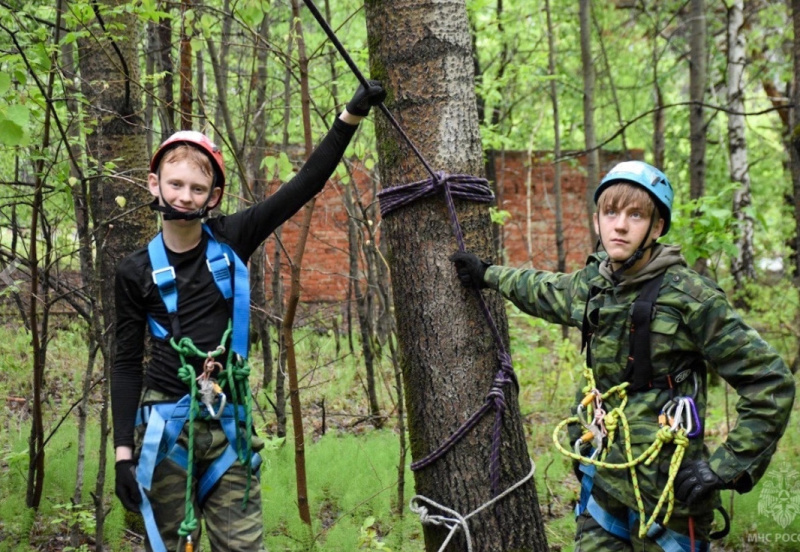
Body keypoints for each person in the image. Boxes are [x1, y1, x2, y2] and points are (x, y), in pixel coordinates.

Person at [451, 160, 795, 552]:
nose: (620, 225)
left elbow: (771, 383)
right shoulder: (596, 284)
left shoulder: (690, 297)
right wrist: (488, 275)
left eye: (636, 215)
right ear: (596, 221)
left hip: (669, 496)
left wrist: (723, 468)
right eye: (610, 212)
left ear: (658, 227)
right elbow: (547, 290)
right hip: (603, 481)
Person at [111, 81, 386, 552]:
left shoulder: (232, 238)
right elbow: (123, 363)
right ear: (154, 184)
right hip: (164, 425)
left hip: (228, 425)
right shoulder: (133, 271)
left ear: (212, 197)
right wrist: (122, 456)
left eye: (198, 189)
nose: (184, 196)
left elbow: (305, 185)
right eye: (175, 184)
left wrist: (350, 117)